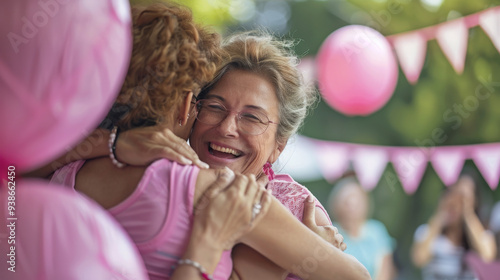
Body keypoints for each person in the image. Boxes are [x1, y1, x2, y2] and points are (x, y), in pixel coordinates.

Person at [45, 2, 369, 280]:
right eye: (214, 107)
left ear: (279, 145)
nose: (228, 128)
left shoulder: (296, 206)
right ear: (190, 106)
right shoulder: (198, 186)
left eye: (252, 117)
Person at [411, 174, 496, 280]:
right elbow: (419, 259)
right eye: (454, 194)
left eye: (464, 198)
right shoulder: (428, 231)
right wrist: (441, 214)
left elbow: (487, 256)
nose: (457, 203)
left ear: (475, 201)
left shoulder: (481, 234)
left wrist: (468, 214)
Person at [327, 177, 396, 280]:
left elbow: (385, 271)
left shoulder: (377, 231)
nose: (352, 205)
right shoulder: (331, 232)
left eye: (356, 200)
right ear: (336, 204)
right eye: (347, 201)